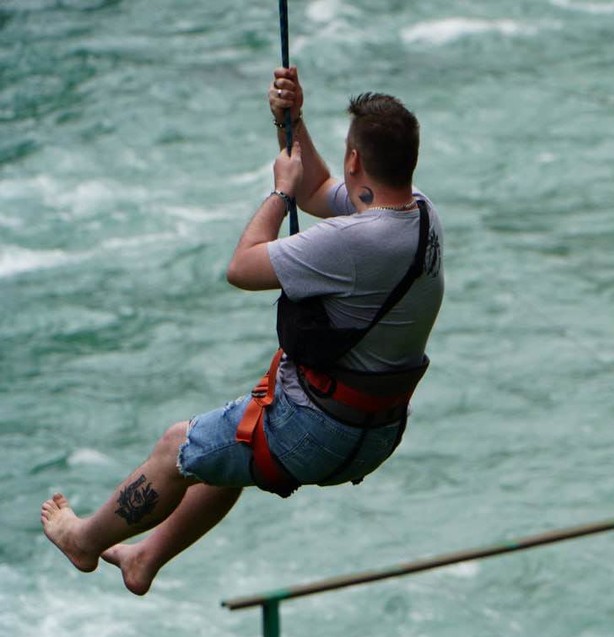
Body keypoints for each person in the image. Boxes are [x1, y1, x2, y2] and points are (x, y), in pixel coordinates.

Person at [40, 67, 444, 595]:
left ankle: (84, 540)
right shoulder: (421, 215)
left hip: (318, 431)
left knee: (177, 445)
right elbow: (321, 190)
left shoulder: (355, 243)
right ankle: (144, 559)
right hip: (375, 430)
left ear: (355, 160)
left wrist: (279, 194)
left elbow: (242, 267)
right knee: (231, 446)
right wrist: (293, 121)